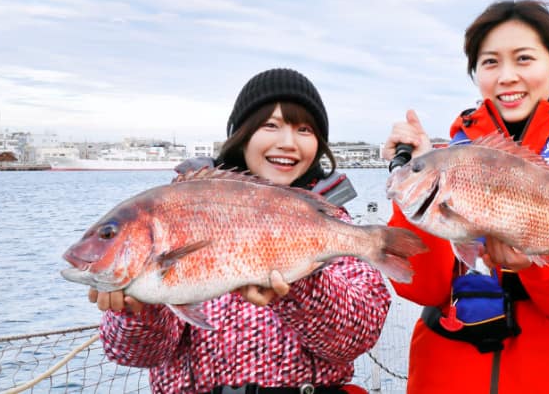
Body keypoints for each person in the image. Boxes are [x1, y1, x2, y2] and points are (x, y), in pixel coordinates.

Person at [382, 0, 549, 393]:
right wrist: (416, 171)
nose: (506, 76)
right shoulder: (446, 159)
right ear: (475, 73)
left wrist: (537, 264)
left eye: (524, 59)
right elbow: (419, 287)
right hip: (445, 378)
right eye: (490, 62)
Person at [88, 68, 390, 394]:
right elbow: (136, 355)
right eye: (270, 125)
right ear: (241, 135)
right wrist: (137, 310)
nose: (288, 143)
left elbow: (357, 339)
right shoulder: (176, 213)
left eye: (304, 129)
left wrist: (297, 282)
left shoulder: (330, 223)